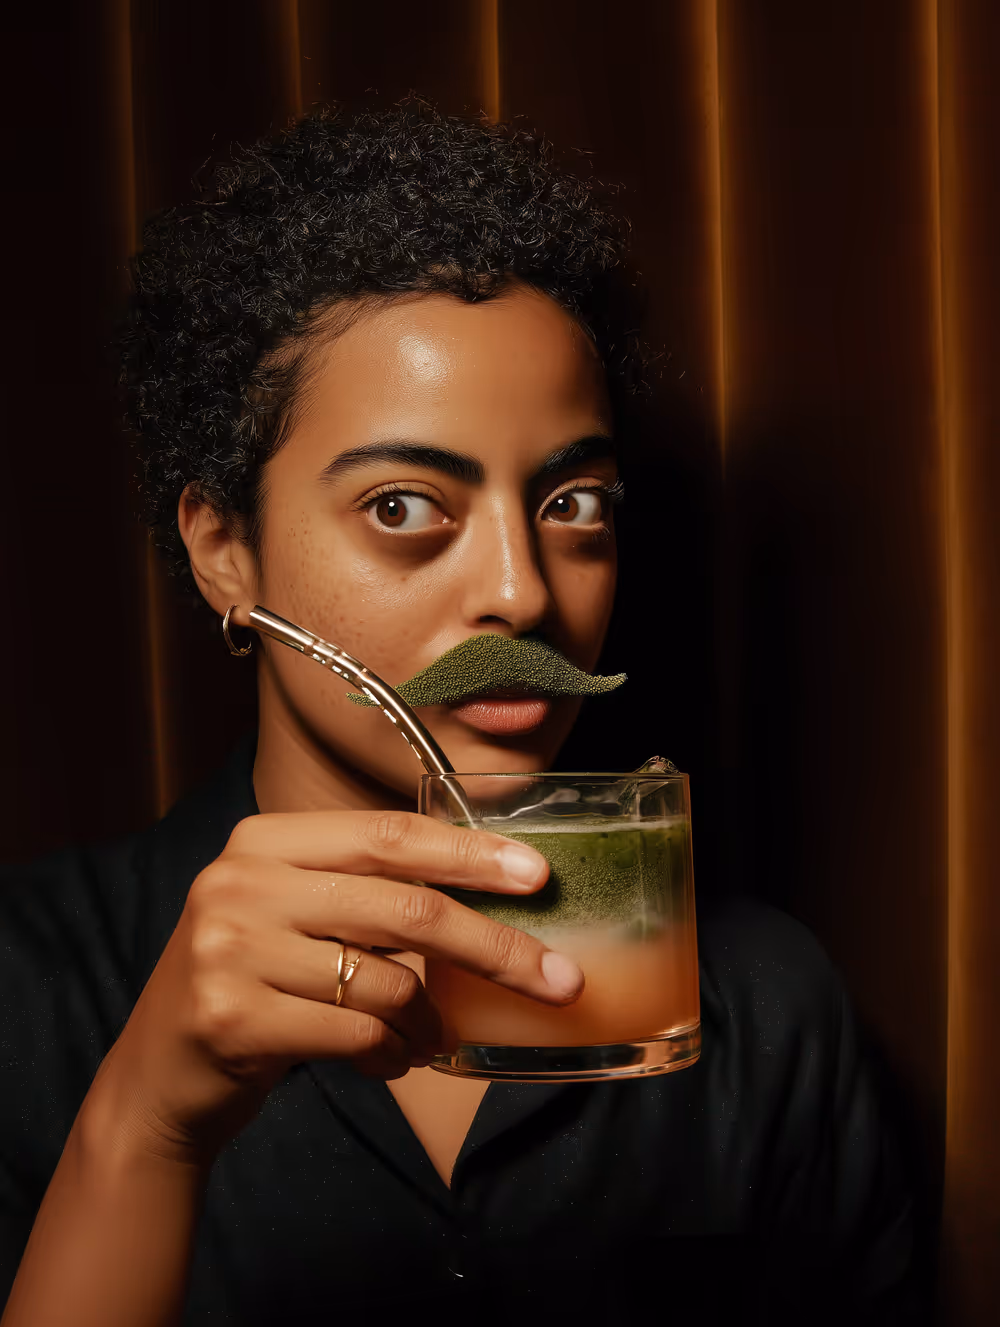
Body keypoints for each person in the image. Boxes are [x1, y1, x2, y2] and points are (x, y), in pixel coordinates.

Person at [0, 103, 920, 1325]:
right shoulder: (29, 985)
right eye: (402, 506)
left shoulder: (765, 1006)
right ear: (225, 550)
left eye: (574, 503)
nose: (521, 590)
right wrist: (142, 1131)